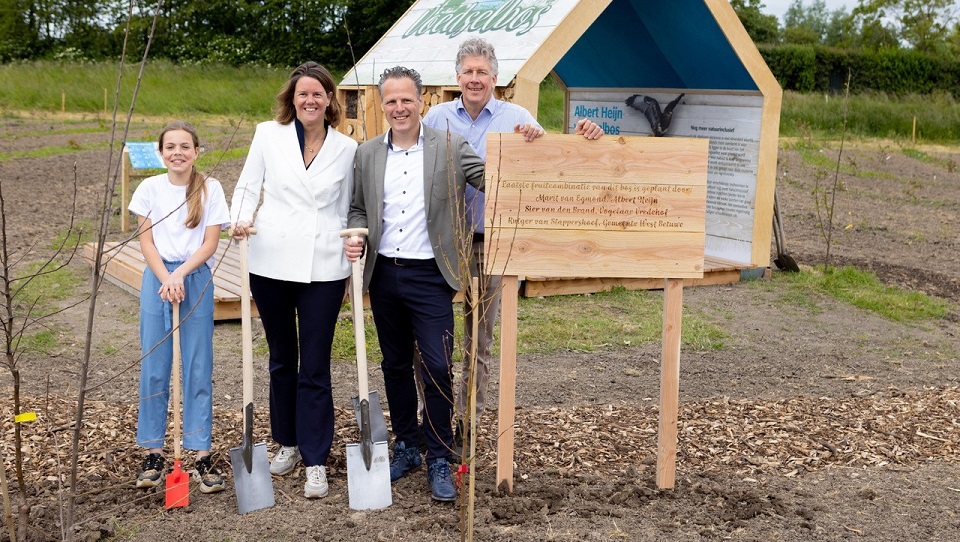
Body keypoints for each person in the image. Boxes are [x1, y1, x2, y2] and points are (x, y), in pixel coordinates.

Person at [421, 37, 604, 446]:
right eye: (467, 71)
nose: (474, 78)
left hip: (492, 241)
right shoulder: (436, 118)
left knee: (478, 340)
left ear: (495, 77)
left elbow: (550, 160)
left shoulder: (517, 116)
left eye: (481, 72)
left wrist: (584, 135)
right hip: (444, 242)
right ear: (456, 76)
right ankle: (431, 423)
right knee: (433, 337)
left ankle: (467, 425)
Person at [344, 66, 484, 502]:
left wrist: (536, 149)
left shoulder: (449, 146)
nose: (399, 108)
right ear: (381, 105)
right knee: (395, 364)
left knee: (438, 366)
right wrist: (356, 234)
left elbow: (494, 179)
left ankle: (440, 453)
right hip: (385, 273)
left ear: (421, 101)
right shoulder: (367, 154)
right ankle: (407, 445)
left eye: (406, 99)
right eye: (390, 101)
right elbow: (358, 209)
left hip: (431, 274)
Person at [230, 61, 357, 499]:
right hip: (271, 261)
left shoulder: (347, 147)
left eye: (318, 94)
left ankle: (316, 460)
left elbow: (346, 207)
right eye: (303, 94)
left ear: (329, 101)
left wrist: (352, 245)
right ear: (292, 98)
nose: (310, 100)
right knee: (282, 358)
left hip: (323, 264)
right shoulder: (268, 134)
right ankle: (286, 442)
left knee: (315, 364)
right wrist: (241, 218)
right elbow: (248, 186)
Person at [131, 120, 231, 494]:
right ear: (161, 153)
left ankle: (201, 453)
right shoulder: (149, 189)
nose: (177, 152)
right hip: (156, 278)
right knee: (155, 366)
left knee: (198, 364)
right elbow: (146, 242)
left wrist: (181, 275)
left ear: (196, 151)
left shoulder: (210, 189)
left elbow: (209, 244)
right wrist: (165, 278)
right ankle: (155, 451)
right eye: (170, 146)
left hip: (195, 276)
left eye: (185, 146)